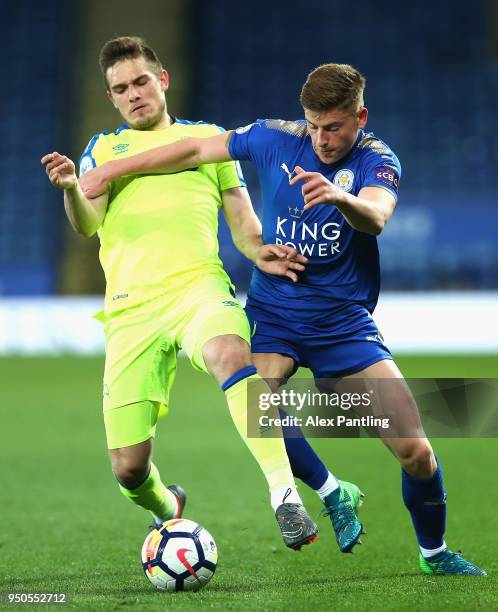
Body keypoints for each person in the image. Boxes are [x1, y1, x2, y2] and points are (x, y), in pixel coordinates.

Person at [80, 62, 488, 576]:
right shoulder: (275, 137)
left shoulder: (376, 160)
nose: (321, 138)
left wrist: (341, 197)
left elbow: (378, 216)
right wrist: (110, 170)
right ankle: (331, 493)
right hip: (275, 315)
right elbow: (190, 150)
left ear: (359, 117)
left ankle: (435, 554)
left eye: (333, 127)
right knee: (257, 403)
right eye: (313, 125)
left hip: (343, 325)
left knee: (417, 452)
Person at [41, 36, 325, 551]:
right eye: (120, 88)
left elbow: (241, 218)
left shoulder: (210, 140)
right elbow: (87, 224)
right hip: (131, 310)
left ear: (162, 79)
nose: (133, 94)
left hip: (199, 289)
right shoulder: (103, 150)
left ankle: (285, 495)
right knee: (128, 469)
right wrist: (69, 191)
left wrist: (259, 248)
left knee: (232, 354)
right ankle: (168, 507)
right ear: (111, 98)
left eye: (141, 81)